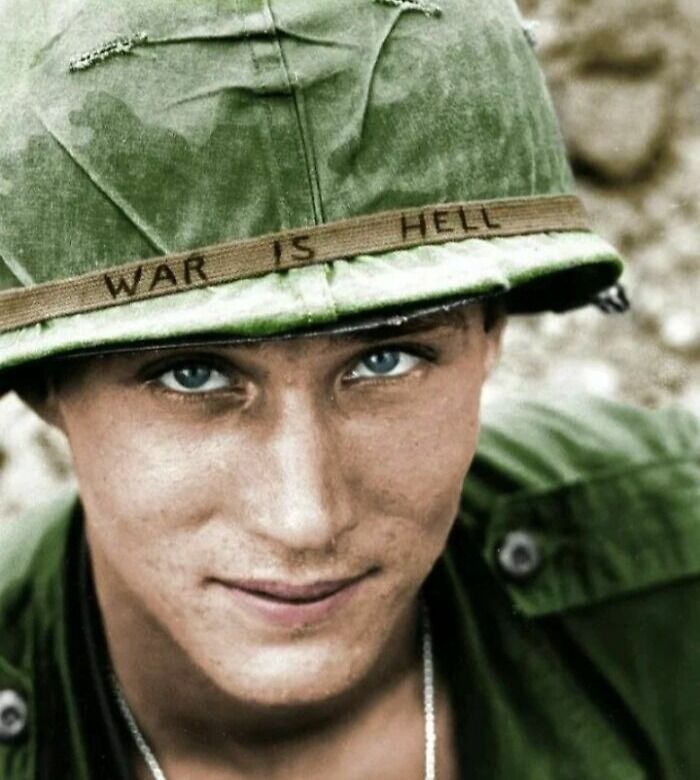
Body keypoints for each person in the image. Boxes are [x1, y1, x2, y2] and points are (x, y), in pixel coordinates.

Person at [0, 0, 698, 778]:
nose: (306, 519)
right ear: (41, 381)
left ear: (492, 328)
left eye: (386, 360)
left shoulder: (673, 571)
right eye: (191, 374)